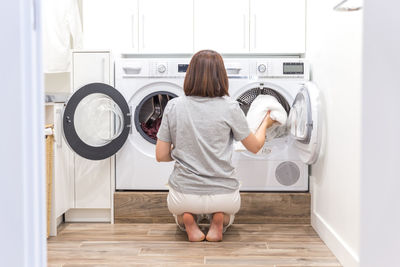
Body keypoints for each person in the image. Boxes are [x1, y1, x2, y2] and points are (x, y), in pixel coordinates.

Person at [155, 50, 275, 242]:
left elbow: (161, 155)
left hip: (183, 194)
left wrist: (183, 152)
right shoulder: (230, 106)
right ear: (222, 76)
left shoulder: (174, 106)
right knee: (228, 213)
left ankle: (187, 219)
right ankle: (220, 218)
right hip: (224, 194)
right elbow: (254, 147)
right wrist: (265, 124)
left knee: (180, 213)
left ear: (190, 74)